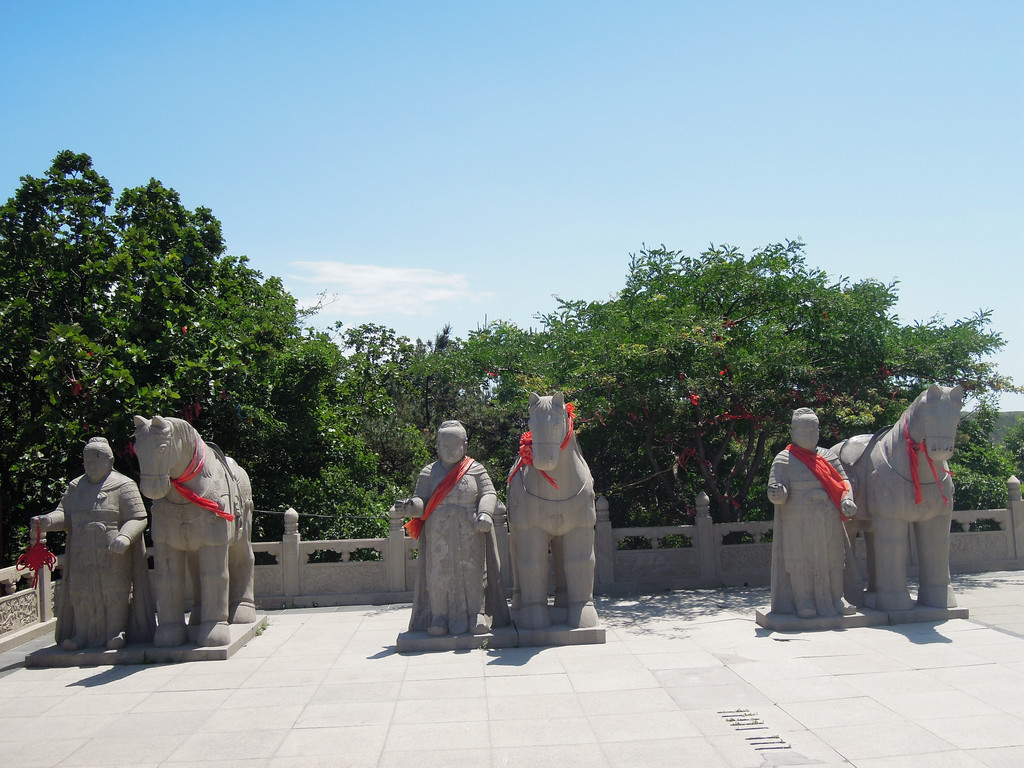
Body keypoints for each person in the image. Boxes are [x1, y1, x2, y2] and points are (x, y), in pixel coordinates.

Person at [32, 437, 155, 650]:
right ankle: (81, 634)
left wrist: (125, 537)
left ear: (109, 460)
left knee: (114, 592)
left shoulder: (123, 484)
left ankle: (116, 632)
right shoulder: (75, 487)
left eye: (97, 461)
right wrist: (48, 521)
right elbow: (64, 515)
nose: (92, 465)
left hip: (113, 550)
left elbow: (138, 518)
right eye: (88, 462)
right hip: (81, 549)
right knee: (80, 593)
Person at [396, 420, 509, 636]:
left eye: (454, 446)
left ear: (465, 446)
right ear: (437, 446)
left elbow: (489, 493)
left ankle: (477, 613)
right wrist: (410, 506)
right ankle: (439, 616)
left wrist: (485, 513)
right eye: (444, 446)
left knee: (474, 572)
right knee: (438, 572)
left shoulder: (476, 469)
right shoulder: (429, 472)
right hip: (438, 530)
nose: (449, 451)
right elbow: (421, 501)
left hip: (471, 528)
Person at [767, 409, 858, 619]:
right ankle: (804, 601)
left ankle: (838, 597)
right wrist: (778, 493)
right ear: (793, 432)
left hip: (828, 517)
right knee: (799, 561)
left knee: (835, 559)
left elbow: (843, 481)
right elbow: (776, 491)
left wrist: (847, 498)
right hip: (798, 519)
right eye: (803, 428)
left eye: (813, 427)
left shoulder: (829, 456)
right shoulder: (783, 459)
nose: (809, 432)